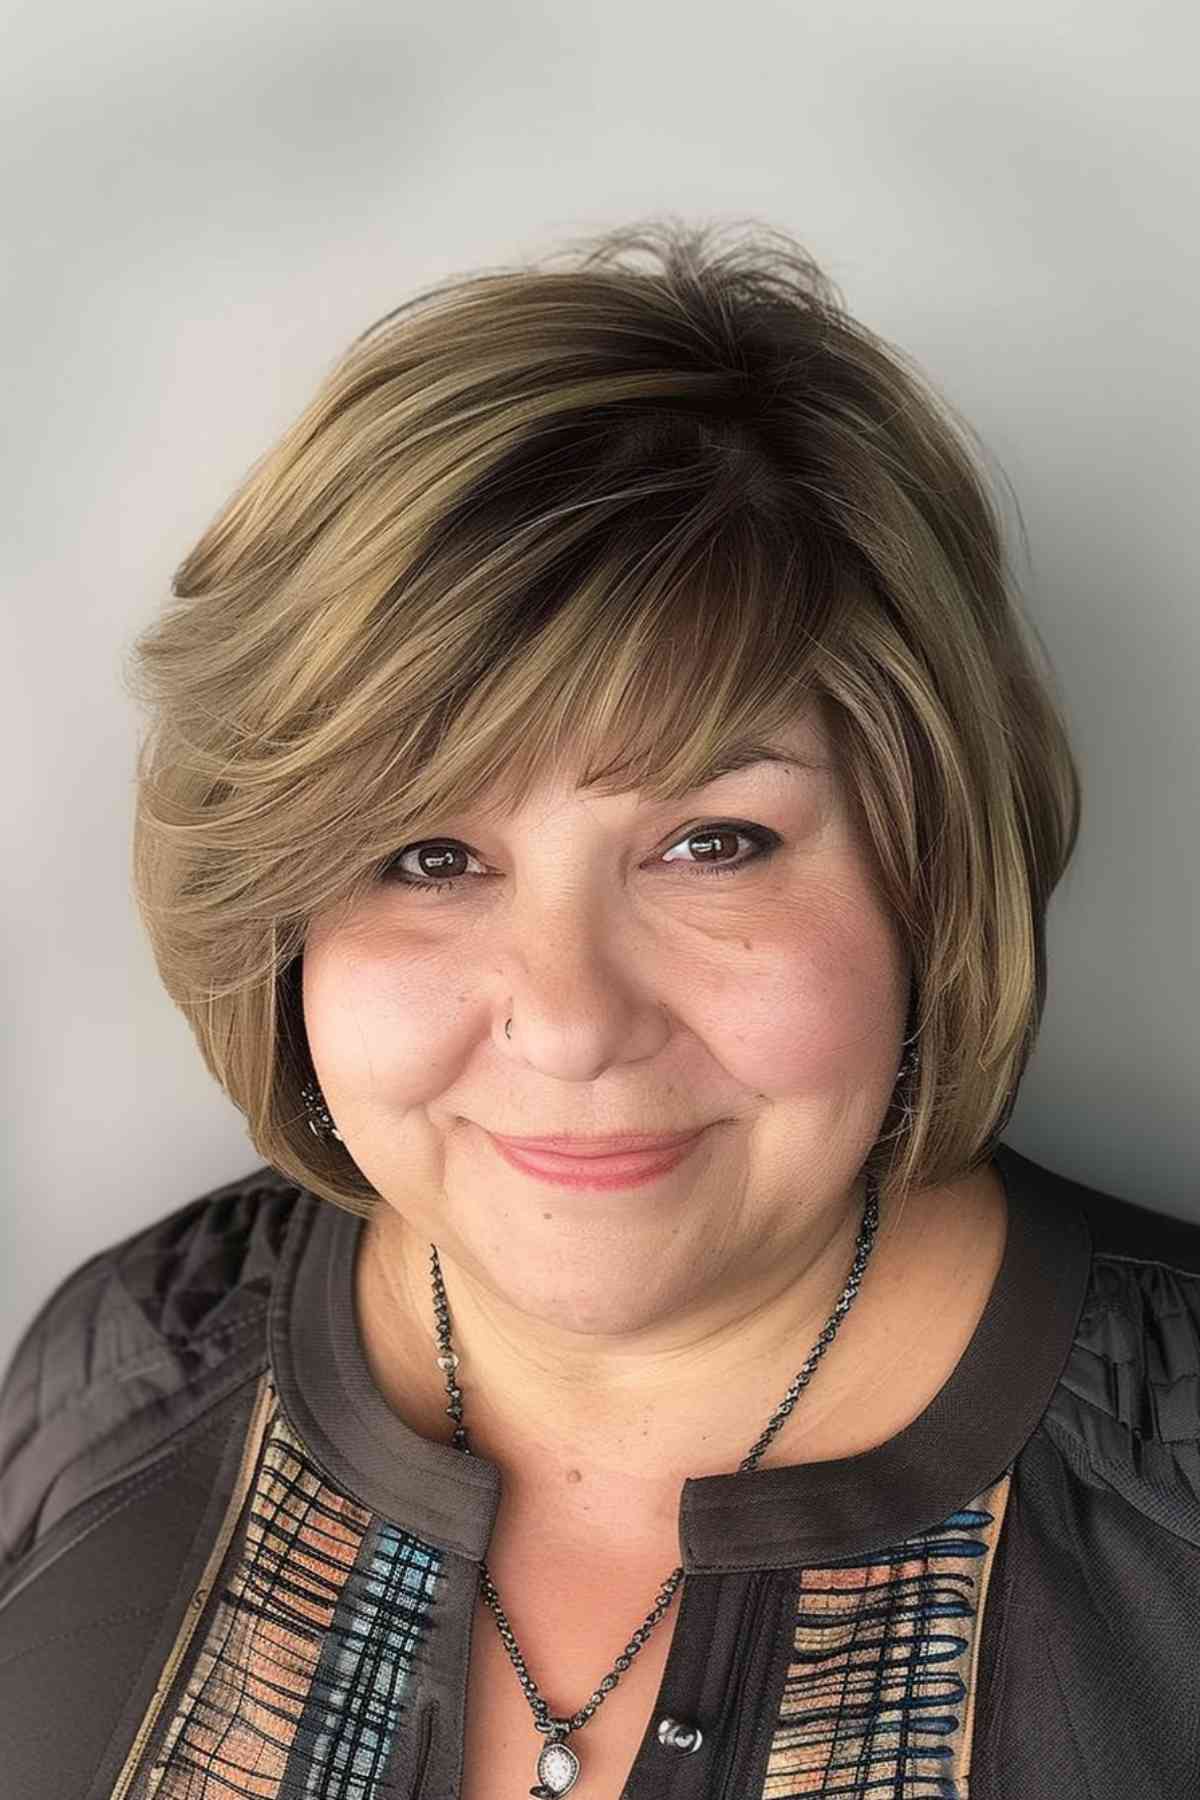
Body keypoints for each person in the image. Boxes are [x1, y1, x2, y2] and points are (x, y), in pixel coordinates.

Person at [1, 217, 1196, 1800]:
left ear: (934, 870)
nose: (569, 1024)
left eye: (715, 844)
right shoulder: (117, 1379)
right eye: (428, 854)